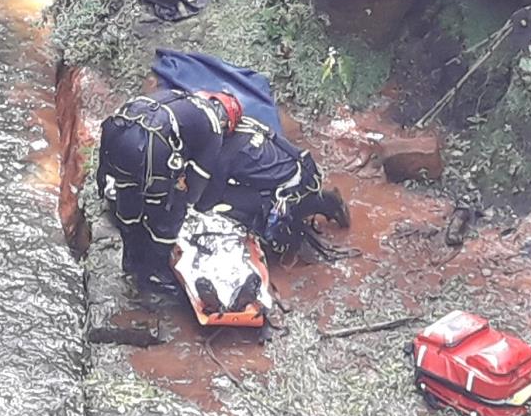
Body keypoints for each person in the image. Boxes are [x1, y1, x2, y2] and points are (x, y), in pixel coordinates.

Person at [95, 88, 240, 287]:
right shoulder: (213, 127)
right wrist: (185, 200)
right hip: (149, 150)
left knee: (128, 190)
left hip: (116, 136)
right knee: (172, 208)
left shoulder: (176, 95)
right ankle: (155, 270)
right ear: (226, 123)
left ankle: (129, 258)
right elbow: (197, 181)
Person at [198, 116, 349, 259]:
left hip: (287, 191)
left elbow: (208, 199)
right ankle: (323, 201)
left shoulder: (225, 156)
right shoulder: (247, 122)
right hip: (303, 168)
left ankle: (268, 234)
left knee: (224, 199)